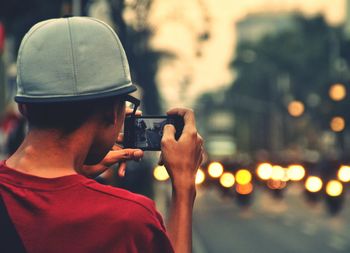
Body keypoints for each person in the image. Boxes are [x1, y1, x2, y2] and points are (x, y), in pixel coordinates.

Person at [0, 17, 203, 253]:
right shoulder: (129, 221)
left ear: (23, 108)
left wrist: (70, 176)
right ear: (111, 113)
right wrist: (183, 186)